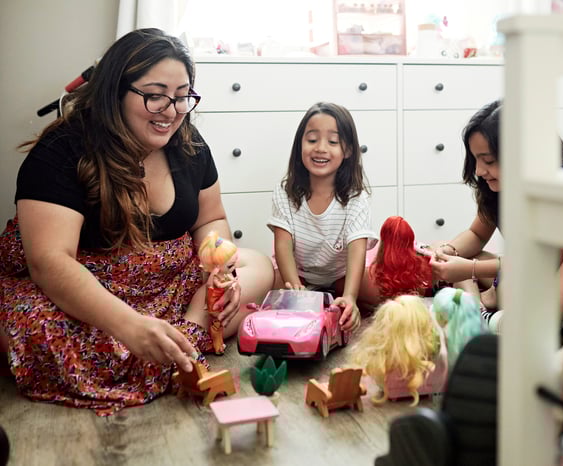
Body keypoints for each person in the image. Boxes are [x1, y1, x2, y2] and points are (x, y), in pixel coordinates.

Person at [0, 28, 274, 415]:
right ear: (116, 91)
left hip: (166, 282)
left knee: (258, 266)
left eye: (182, 97)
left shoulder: (189, 143)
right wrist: (129, 325)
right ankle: (172, 345)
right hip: (83, 293)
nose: (172, 110)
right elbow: (49, 262)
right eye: (155, 95)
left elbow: (210, 219)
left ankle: (187, 331)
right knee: (32, 325)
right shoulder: (62, 151)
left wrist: (219, 272)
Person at [430, 100, 563, 316]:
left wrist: (470, 268)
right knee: (440, 246)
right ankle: (476, 304)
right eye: (476, 160)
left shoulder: (557, 186)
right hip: (525, 269)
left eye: (488, 161)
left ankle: (483, 300)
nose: (479, 171)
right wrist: (448, 252)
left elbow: (547, 260)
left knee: (504, 283)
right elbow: (476, 234)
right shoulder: (497, 187)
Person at [267, 102, 379, 331]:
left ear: (347, 150)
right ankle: (307, 292)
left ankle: (342, 296)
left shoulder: (356, 198)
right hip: (299, 274)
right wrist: (295, 289)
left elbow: (357, 249)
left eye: (333, 142)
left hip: (340, 274)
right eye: (311, 140)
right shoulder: (285, 191)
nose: (320, 148)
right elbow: (283, 244)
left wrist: (350, 296)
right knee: (267, 291)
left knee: (385, 295)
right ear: (300, 145)